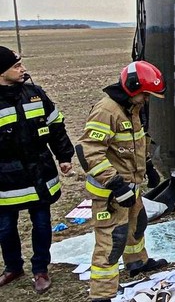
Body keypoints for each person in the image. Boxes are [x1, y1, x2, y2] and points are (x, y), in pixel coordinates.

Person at [76, 61, 169, 302]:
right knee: (112, 241)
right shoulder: (107, 110)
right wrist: (116, 184)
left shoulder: (131, 108)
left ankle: (137, 263)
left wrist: (147, 166)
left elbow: (136, 141)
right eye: (145, 95)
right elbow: (89, 151)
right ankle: (102, 294)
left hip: (131, 186)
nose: (146, 100)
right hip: (110, 192)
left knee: (136, 226)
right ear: (132, 86)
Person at [0, 46, 74, 294]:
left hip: (39, 172)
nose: (23, 69)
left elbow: (56, 125)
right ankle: (13, 267)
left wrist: (64, 156)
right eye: (16, 66)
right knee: (5, 228)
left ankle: (40, 269)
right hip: (5, 179)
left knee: (41, 224)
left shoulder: (35, 94)